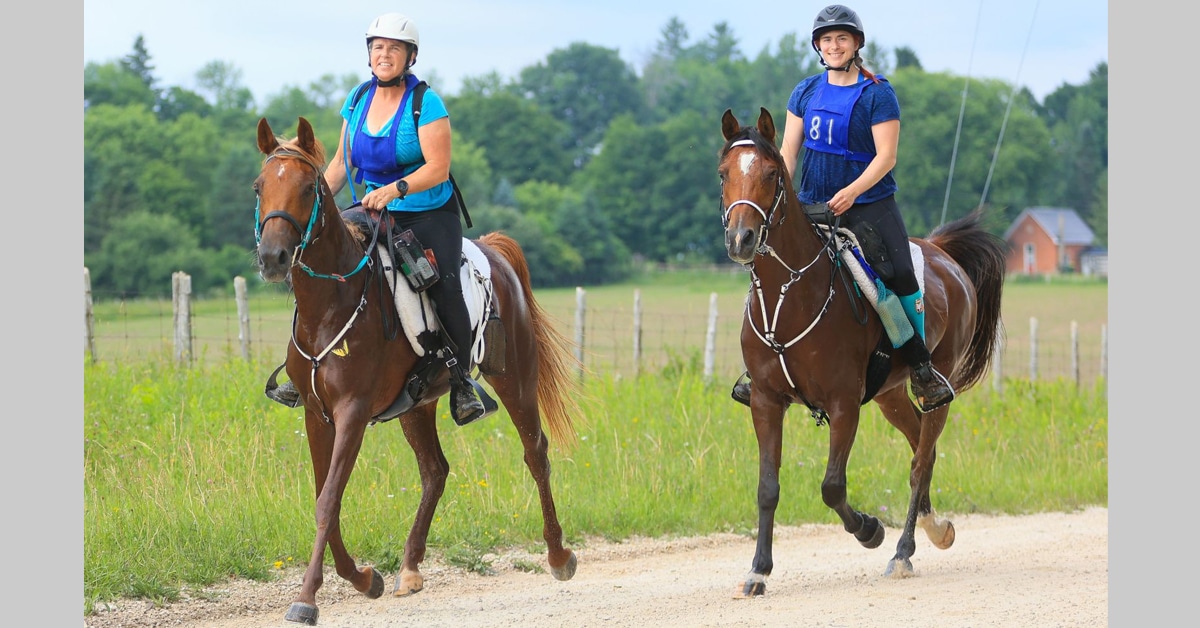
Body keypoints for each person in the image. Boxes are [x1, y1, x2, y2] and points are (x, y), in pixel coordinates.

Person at [731, 4, 954, 413]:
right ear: (819, 46)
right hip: (812, 204)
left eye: (842, 39)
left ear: (856, 44)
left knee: (899, 274)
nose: (834, 46)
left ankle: (921, 367)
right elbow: (788, 155)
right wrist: (781, 193)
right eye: (827, 40)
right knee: (769, 266)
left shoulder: (878, 94)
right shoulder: (805, 91)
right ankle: (760, 367)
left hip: (867, 204)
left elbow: (886, 157)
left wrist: (852, 192)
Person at [271, 12, 487, 426]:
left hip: (426, 213)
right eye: (377, 48)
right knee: (319, 263)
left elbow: (438, 168)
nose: (384, 55)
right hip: (373, 210)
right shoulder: (357, 99)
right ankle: (302, 369)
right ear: (368, 54)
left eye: (393, 48)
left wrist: (395, 189)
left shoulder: (426, 102)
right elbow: (340, 163)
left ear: (410, 57)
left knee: (442, 284)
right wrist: (317, 203)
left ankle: (461, 380)